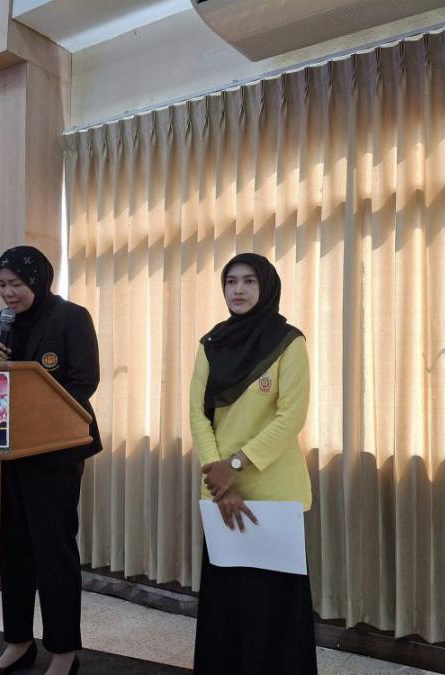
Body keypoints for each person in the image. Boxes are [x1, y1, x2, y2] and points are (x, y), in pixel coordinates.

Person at [189, 252, 317, 675]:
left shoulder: (289, 343)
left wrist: (235, 465)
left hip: (273, 493)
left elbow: (290, 417)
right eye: (231, 281)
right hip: (220, 489)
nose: (238, 289)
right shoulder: (211, 344)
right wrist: (219, 474)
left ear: (266, 287)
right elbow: (198, 415)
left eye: (249, 281)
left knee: (274, 606)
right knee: (227, 602)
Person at [0, 245, 101, 675]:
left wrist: (37, 406)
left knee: (53, 552)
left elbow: (84, 381)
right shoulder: (0, 323)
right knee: (13, 551)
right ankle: (18, 640)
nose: (8, 293)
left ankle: (64, 651)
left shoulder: (72, 317)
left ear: (37, 280)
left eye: (16, 284)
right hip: (9, 452)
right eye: (2, 285)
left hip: (56, 452)